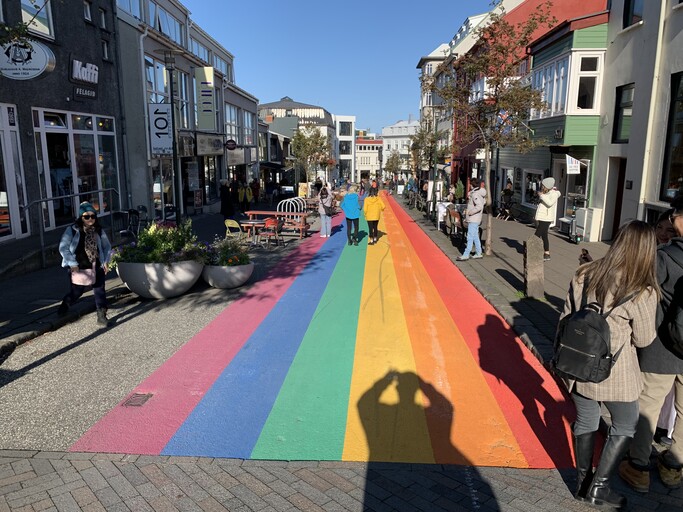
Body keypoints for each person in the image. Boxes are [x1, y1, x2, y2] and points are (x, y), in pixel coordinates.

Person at [561, 220, 659, 508]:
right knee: (625, 424)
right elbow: (644, 339)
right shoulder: (642, 290)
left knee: (586, 420)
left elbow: (566, 316)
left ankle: (582, 484)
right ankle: (599, 488)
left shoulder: (584, 273)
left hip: (578, 364)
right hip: (616, 372)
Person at [619, 198, 683, 493]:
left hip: (661, 347)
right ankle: (673, 467)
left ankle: (638, 467)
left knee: (649, 407)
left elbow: (639, 294)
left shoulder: (664, 257)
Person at [58, 202, 113, 327]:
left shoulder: (98, 230)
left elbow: (107, 246)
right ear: (81, 217)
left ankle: (101, 315)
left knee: (99, 290)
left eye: (92, 216)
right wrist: (72, 263)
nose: (90, 219)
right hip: (78, 266)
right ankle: (66, 303)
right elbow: (63, 248)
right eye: (86, 216)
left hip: (96, 264)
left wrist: (105, 261)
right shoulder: (72, 230)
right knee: (77, 292)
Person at [457, 180, 486, 261]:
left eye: (470, 184)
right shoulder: (478, 193)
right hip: (475, 218)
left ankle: (466, 254)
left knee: (470, 237)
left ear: (472, 185)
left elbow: (479, 206)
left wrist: (470, 212)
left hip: (474, 218)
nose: (469, 185)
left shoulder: (475, 194)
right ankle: (478, 252)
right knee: (475, 236)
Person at [534, 177, 562, 261]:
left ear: (547, 186)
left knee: (536, 235)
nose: (542, 187)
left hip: (546, 218)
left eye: (543, 186)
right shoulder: (546, 193)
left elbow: (549, 203)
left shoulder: (554, 194)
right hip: (542, 217)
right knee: (544, 235)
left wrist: (541, 195)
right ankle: (546, 253)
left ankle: (532, 251)